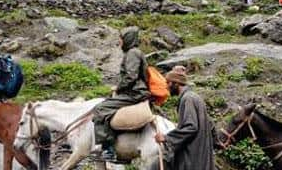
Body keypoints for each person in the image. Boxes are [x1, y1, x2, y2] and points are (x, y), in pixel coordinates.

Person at [92, 27, 151, 160]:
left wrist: (118, 88)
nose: (120, 42)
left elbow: (131, 76)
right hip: (137, 91)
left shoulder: (132, 53)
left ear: (128, 39)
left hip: (134, 93)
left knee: (100, 109)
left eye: (121, 39)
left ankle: (108, 149)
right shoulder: (135, 52)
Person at [153, 69, 216, 170]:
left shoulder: (188, 99)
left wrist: (166, 138)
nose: (167, 86)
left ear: (176, 83)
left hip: (192, 159)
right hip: (201, 158)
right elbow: (210, 123)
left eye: (168, 83)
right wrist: (216, 142)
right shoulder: (195, 97)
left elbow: (191, 127)